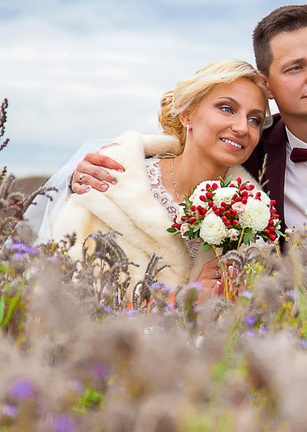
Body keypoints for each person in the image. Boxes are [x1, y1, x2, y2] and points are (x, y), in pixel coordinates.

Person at [56, 4, 307, 253]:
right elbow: (180, 157)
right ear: (268, 86)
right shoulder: (242, 151)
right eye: (295, 67)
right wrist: (83, 173)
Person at [47, 59, 268, 291]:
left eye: (254, 119)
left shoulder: (254, 218)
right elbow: (70, 294)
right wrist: (186, 300)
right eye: (227, 109)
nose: (243, 128)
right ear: (187, 115)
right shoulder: (109, 185)